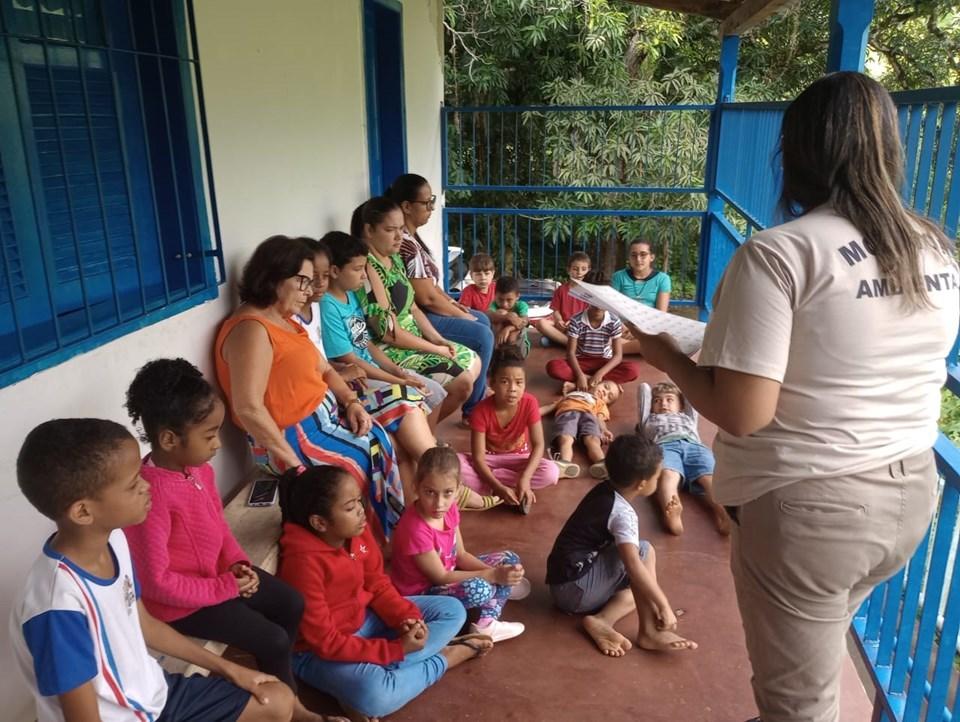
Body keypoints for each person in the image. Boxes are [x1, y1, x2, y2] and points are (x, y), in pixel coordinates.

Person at [625, 72, 959, 722]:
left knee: (798, 706)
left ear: (798, 152)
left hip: (814, 510)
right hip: (910, 492)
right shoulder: (935, 248)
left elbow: (745, 414)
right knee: (813, 655)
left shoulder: (781, 253)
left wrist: (662, 353)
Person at [11, 418, 298, 722]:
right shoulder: (57, 607)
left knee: (276, 699)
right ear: (83, 512)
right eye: (134, 483)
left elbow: (144, 624)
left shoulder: (115, 540)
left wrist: (230, 669)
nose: (147, 485)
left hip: (154, 693)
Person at [123, 358, 331, 722]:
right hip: (182, 604)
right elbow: (157, 584)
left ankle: (281, 674)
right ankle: (293, 709)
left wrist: (239, 564)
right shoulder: (150, 496)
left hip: (220, 579)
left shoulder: (197, 469)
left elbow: (217, 529)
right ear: (169, 439)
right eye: (209, 435)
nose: (218, 444)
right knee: (272, 639)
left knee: (290, 602)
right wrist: (226, 587)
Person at [214, 235, 422, 542]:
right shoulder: (251, 330)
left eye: (311, 282)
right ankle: (381, 545)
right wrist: (296, 466)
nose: (310, 291)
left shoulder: (284, 320)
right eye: (303, 282)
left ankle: (395, 536)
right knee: (365, 456)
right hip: (293, 438)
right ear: (273, 276)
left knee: (389, 423)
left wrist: (351, 401)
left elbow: (323, 368)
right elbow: (248, 408)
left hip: (325, 419)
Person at [277, 465, 493, 722]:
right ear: (320, 522)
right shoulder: (302, 564)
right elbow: (325, 642)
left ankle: (377, 677)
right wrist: (396, 649)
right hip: (316, 651)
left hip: (364, 619)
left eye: (359, 501)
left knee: (452, 610)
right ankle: (446, 658)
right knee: (375, 695)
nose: (361, 511)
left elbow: (378, 584)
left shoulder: (357, 531)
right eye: (350, 507)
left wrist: (407, 618)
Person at [546, 434, 697, 658]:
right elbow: (634, 566)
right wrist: (664, 605)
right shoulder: (623, 513)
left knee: (634, 594)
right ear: (643, 484)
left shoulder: (605, 489)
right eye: (657, 476)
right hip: (574, 591)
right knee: (644, 552)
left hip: (565, 582)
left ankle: (601, 621)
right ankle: (649, 632)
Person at [295, 238, 431, 466]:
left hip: (350, 380)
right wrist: (397, 379)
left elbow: (358, 346)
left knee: (425, 393)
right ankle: (432, 467)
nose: (317, 284)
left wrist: (397, 372)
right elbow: (332, 364)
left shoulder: (321, 307)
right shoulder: (322, 307)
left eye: (323, 276)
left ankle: (430, 458)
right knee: (409, 400)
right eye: (307, 278)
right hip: (339, 393)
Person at [352, 198, 481, 425]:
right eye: (390, 230)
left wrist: (438, 338)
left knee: (474, 362)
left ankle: (426, 430)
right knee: (462, 383)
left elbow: (412, 307)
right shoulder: (368, 269)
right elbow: (389, 334)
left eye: (401, 229)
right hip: (391, 349)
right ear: (369, 230)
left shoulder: (394, 259)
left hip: (413, 339)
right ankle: (425, 439)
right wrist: (435, 348)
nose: (399, 236)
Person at [390, 447, 529, 643]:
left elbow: (461, 555)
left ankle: (486, 621)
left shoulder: (449, 509)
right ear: (416, 487)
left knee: (509, 559)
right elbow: (440, 577)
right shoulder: (415, 528)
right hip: (423, 593)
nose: (439, 503)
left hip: (450, 573)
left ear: (458, 489)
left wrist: (499, 572)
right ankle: (489, 615)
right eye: (430, 492)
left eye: (447, 493)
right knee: (481, 588)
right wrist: (493, 575)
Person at [388, 173, 495, 421]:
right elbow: (426, 299)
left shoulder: (414, 239)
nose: (432, 208)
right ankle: (473, 410)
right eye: (426, 203)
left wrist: (452, 302)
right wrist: (463, 315)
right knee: (482, 332)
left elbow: (433, 287)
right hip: (422, 317)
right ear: (406, 206)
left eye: (432, 200)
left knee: (483, 321)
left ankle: (477, 394)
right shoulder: (404, 243)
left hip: (428, 310)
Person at [320, 231, 446, 421]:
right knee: (416, 397)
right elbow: (351, 359)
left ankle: (429, 444)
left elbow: (367, 344)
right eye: (357, 269)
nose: (364, 276)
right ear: (335, 271)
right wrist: (399, 381)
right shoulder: (327, 306)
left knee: (436, 393)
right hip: (358, 378)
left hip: (373, 368)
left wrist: (396, 370)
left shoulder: (351, 295)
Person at [459, 349, 560, 514]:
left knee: (551, 473)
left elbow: (539, 444)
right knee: (456, 466)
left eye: (519, 382)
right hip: (488, 459)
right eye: (505, 382)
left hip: (519, 458)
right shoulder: (480, 411)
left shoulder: (530, 403)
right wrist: (499, 487)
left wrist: (525, 478)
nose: (513, 389)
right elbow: (478, 458)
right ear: (492, 383)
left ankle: (492, 487)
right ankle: (505, 487)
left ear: (525, 384)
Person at [636, 381, 730, 536]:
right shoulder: (648, 419)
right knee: (667, 476)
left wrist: (679, 382)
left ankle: (725, 514)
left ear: (681, 405)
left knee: (710, 478)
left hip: (694, 447)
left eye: (669, 399)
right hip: (664, 446)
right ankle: (671, 514)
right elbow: (643, 389)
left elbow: (691, 390)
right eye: (657, 401)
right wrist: (653, 395)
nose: (663, 404)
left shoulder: (688, 417)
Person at [545, 271, 641, 388]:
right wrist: (580, 375)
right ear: (585, 297)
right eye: (593, 298)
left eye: (603, 299)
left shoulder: (613, 321)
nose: (598, 304)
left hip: (604, 362)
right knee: (553, 367)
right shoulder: (576, 320)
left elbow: (617, 356)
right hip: (582, 362)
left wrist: (600, 373)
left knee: (632, 370)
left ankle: (586, 382)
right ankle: (596, 382)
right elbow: (570, 353)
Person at [541, 379, 623, 480]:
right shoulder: (571, 395)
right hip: (568, 413)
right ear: (596, 384)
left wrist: (604, 430)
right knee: (566, 438)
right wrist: (530, 414)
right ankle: (564, 464)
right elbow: (550, 407)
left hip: (589, 416)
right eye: (606, 387)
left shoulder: (600, 404)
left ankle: (602, 463)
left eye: (608, 396)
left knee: (593, 440)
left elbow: (600, 419)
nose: (605, 392)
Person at [537, 251, 591, 347]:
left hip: (581, 326)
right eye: (575, 269)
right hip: (563, 325)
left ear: (588, 270)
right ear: (568, 270)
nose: (579, 272)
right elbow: (556, 310)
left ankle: (556, 339)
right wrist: (559, 321)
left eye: (583, 269)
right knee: (541, 323)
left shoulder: (589, 292)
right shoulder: (561, 290)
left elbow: (590, 314)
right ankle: (570, 343)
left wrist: (575, 323)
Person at [611, 240, 671, 311]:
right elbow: (613, 307)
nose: (638, 259)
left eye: (643, 254)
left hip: (651, 320)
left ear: (651, 257)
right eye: (633, 255)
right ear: (629, 257)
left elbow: (661, 312)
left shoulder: (662, 279)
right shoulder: (619, 276)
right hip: (623, 320)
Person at [489, 276, 531, 357]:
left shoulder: (521, 305)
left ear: (517, 296)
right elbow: (488, 314)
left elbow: (524, 321)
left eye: (509, 300)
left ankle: (511, 352)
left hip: (519, 348)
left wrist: (507, 329)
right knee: (501, 313)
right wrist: (507, 316)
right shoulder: (494, 304)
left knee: (514, 316)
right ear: (495, 295)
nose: (504, 304)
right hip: (499, 342)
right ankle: (497, 350)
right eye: (500, 299)